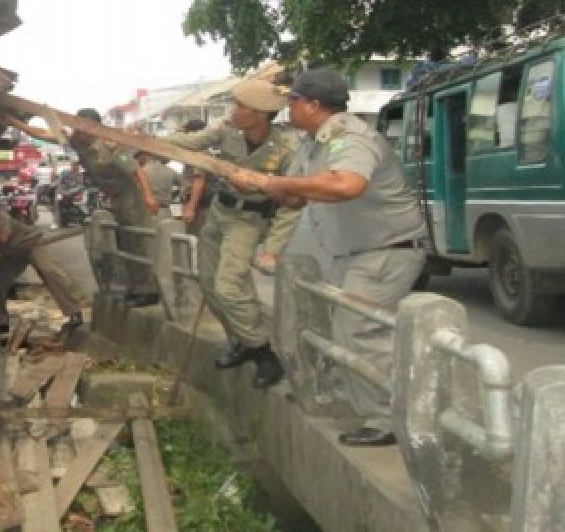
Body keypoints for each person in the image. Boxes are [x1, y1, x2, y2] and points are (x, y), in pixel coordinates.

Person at [228, 68, 425, 446]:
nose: (287, 107)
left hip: (386, 250)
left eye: (293, 100)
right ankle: (351, 399)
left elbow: (347, 184)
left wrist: (278, 184)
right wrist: (260, 184)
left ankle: (388, 418)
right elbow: (296, 195)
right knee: (338, 326)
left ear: (313, 105)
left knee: (359, 329)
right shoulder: (312, 143)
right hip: (350, 252)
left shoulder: (348, 137)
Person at [165, 80, 301, 389]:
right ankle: (239, 340)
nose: (233, 111)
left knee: (229, 286)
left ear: (260, 114)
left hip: (249, 219)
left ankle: (264, 353)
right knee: (210, 285)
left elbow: (294, 204)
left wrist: (274, 248)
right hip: (219, 214)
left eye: (240, 106)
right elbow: (190, 143)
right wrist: (147, 139)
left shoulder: (285, 151)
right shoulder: (227, 131)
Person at [70, 108, 161, 306]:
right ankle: (136, 287)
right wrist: (17, 124)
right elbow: (47, 134)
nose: (78, 130)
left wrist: (148, 196)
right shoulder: (79, 144)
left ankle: (150, 290)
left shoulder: (109, 146)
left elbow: (137, 172)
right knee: (126, 241)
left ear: (94, 128)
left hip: (132, 196)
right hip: (116, 198)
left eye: (82, 126)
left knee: (140, 240)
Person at [0, 189, 85, 335]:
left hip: (31, 244)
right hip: (13, 253)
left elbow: (3, 238)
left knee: (49, 272)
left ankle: (74, 312)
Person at [177, 119, 211, 236]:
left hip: (199, 206)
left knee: (195, 242)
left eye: (187, 133)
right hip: (196, 204)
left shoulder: (199, 153)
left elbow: (199, 181)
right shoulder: (195, 153)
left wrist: (191, 208)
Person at [134, 150, 179, 218]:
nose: (136, 159)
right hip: (165, 211)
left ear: (144, 155)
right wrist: (174, 195)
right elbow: (185, 185)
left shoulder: (141, 171)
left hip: (145, 209)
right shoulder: (170, 171)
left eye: (137, 156)